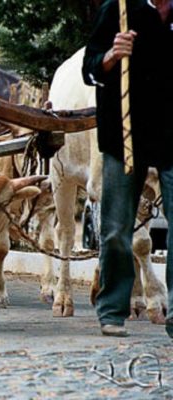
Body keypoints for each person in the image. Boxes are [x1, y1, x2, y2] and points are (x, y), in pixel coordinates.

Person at [82, 0, 173, 337]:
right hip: (125, 136)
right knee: (116, 229)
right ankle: (112, 310)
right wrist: (111, 55)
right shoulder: (118, 10)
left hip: (171, 137)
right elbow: (89, 69)